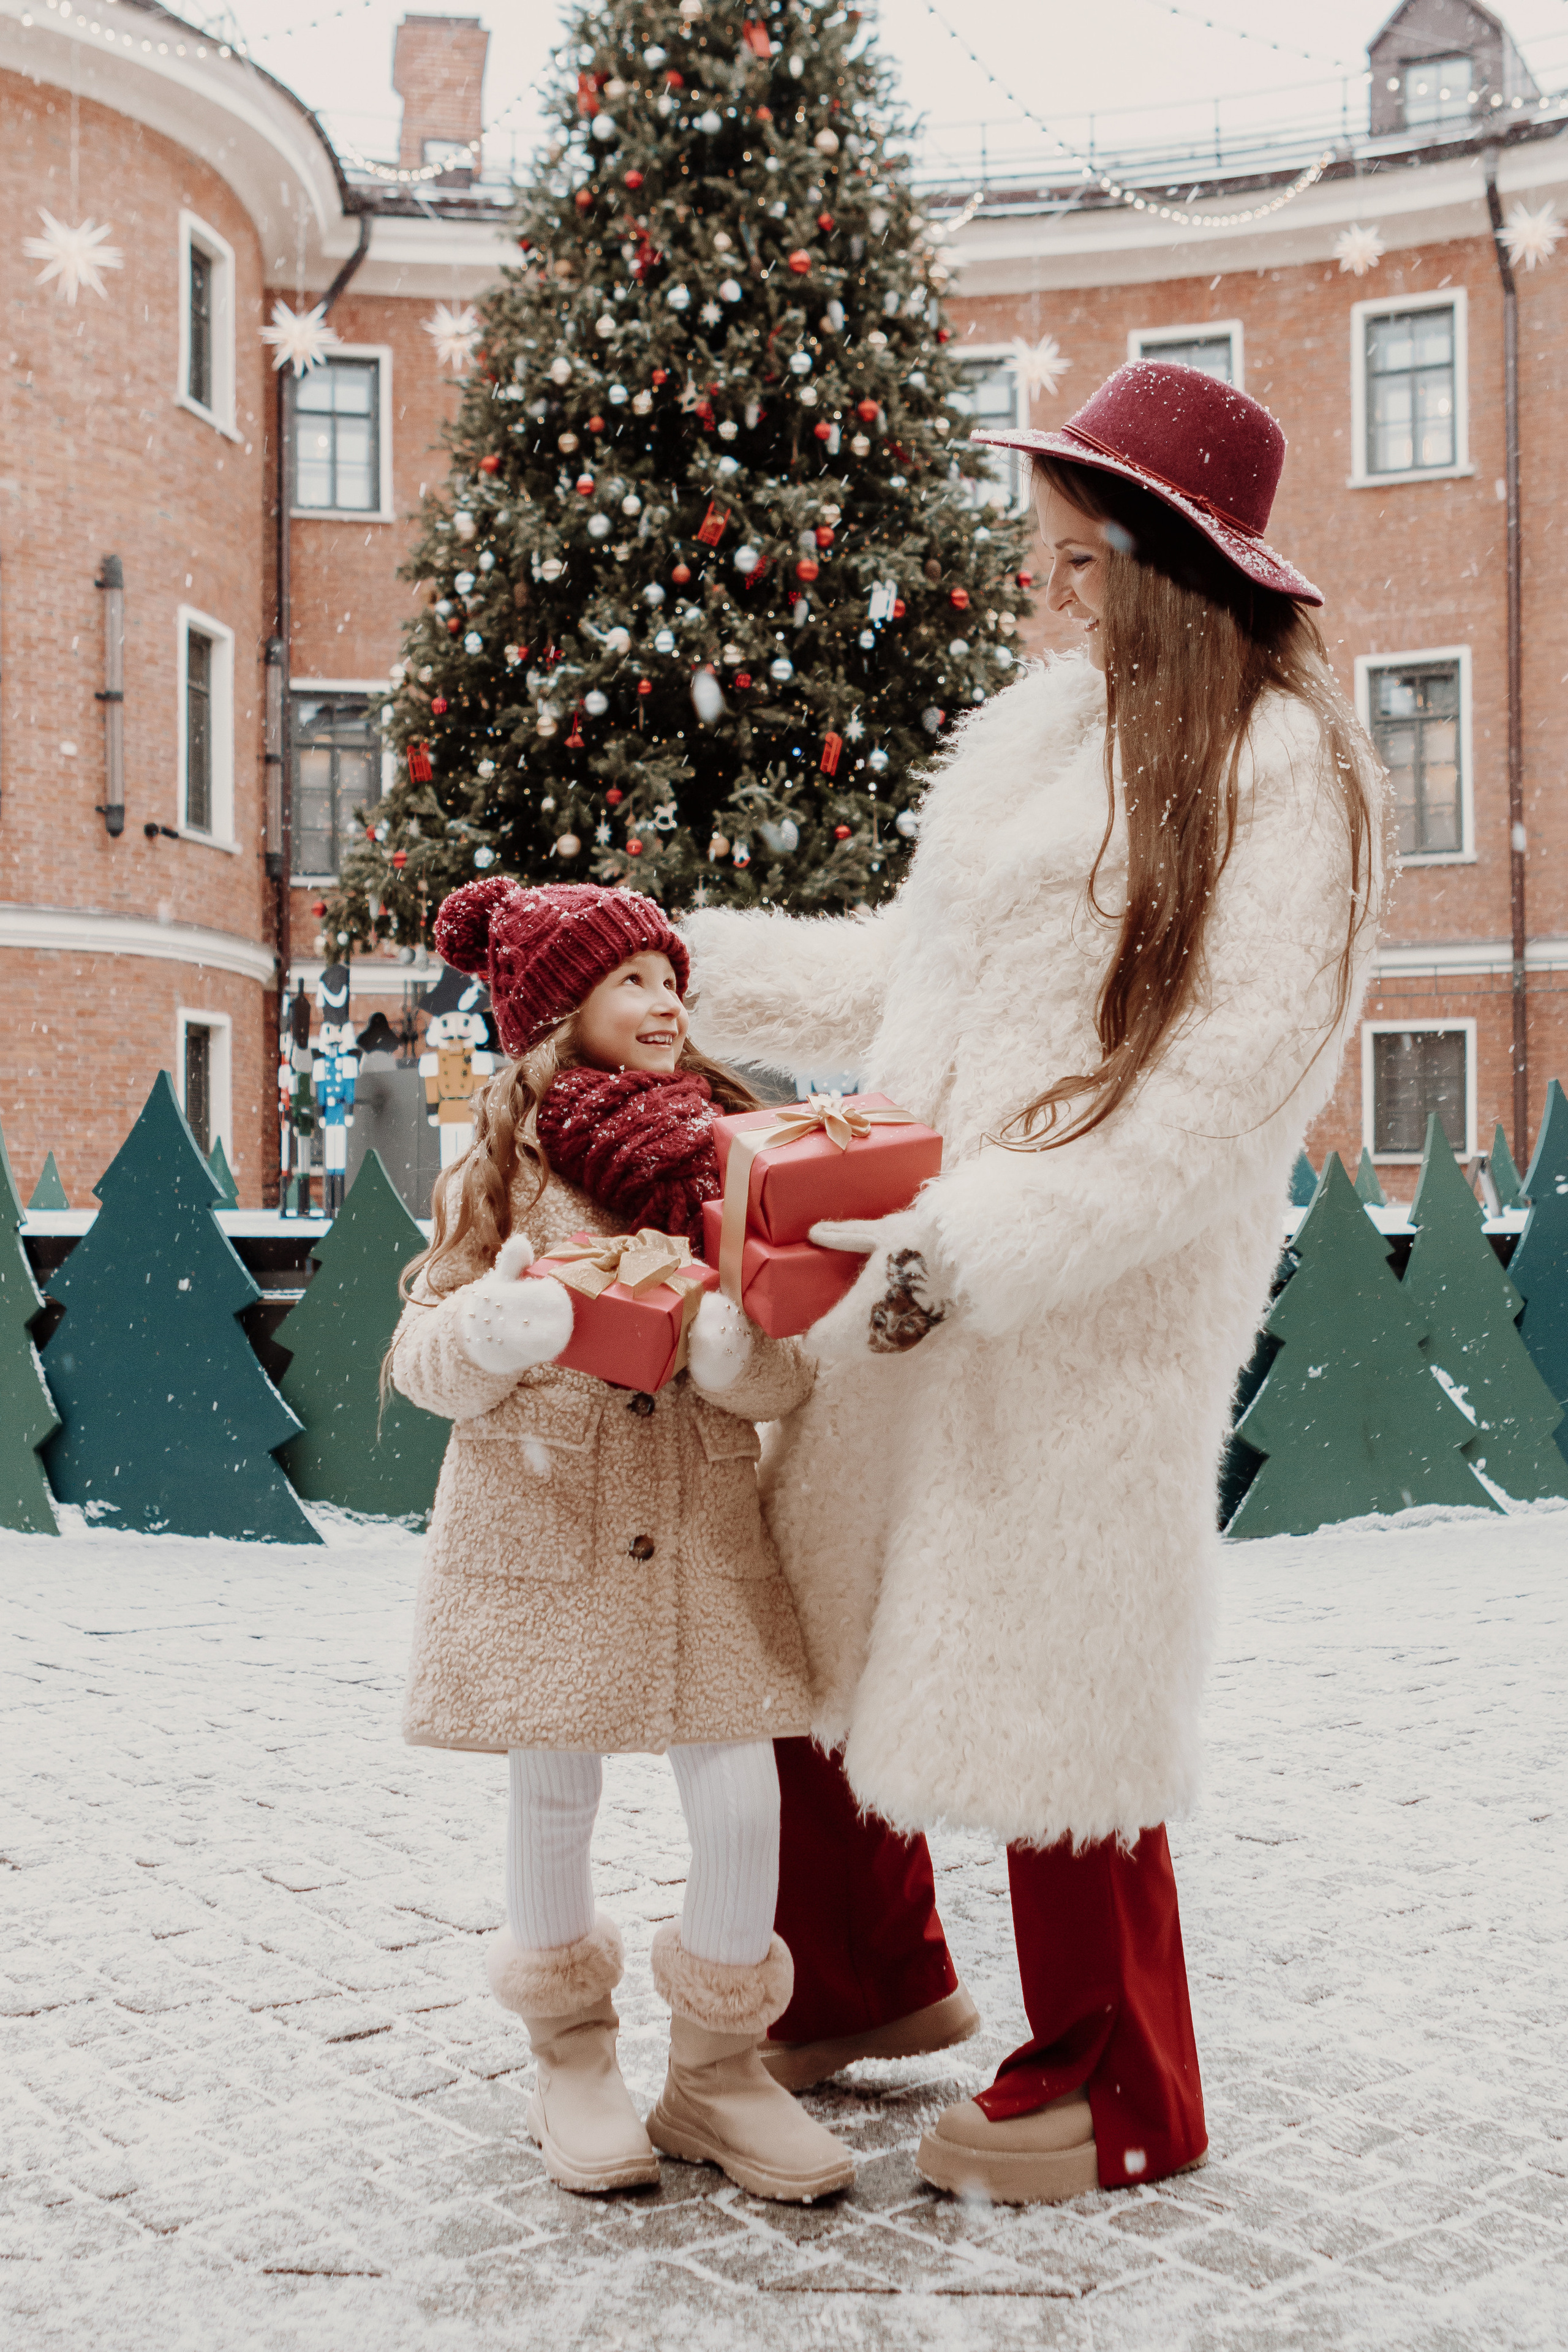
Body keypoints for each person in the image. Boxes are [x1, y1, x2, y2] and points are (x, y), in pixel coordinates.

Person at [682, 360, 1385, 2205]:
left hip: (1086, 1301)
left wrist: (996, 1241)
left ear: (1170, 574)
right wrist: (694, 968)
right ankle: (864, 1975)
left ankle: (1121, 2082)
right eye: (1044, 560)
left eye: (1077, 566)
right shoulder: (1036, 741)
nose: (1040, 597)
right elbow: (897, 978)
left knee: (1064, 1666)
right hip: (900, 1263)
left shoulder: (1282, 775)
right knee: (815, 1599)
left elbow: (1235, 1087)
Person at [386, 879, 856, 2204]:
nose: (666, 1004)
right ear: (557, 1009)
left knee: (739, 1797)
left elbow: (782, 1378)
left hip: (699, 1529)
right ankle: (571, 2058)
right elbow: (422, 1360)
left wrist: (733, 1351)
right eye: (633, 981)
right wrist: (493, 1328)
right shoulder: (497, 1164)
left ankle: (716, 2074)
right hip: (546, 1520)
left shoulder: (730, 1155)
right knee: (553, 1790)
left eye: (669, 978)